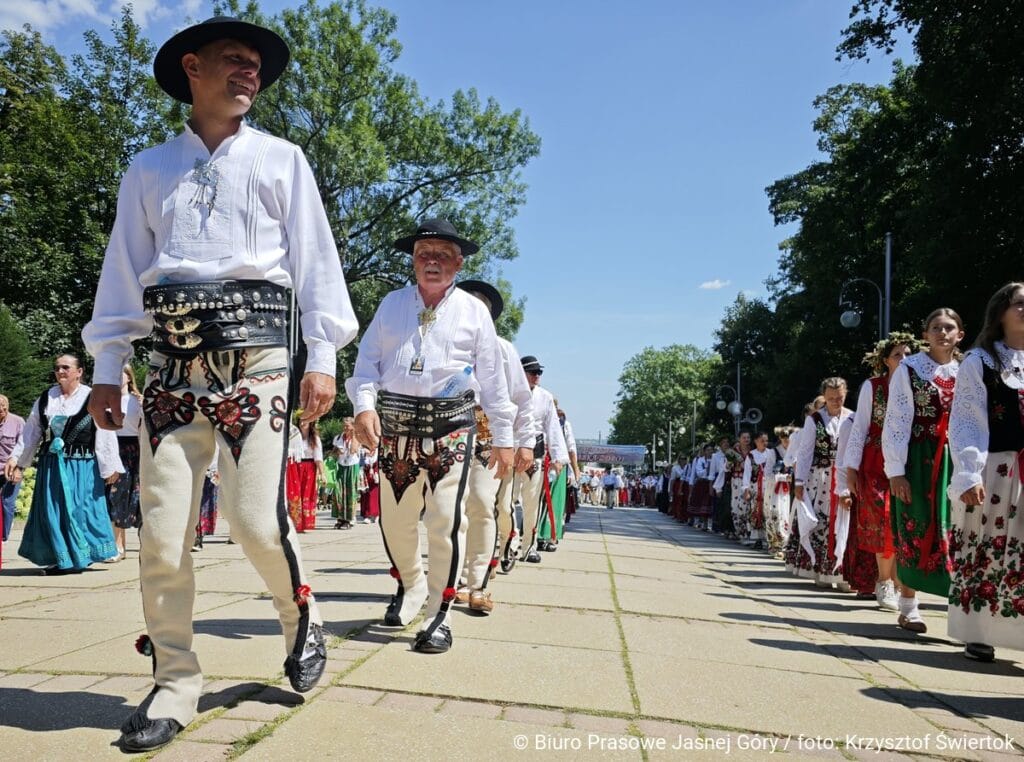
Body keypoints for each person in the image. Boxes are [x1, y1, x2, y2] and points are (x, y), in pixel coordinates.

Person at [81, 16, 359, 751]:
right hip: (170, 373)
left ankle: (302, 614)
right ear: (192, 68)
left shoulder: (282, 160)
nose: (251, 73)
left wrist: (323, 355)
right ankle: (175, 679)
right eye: (236, 61)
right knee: (163, 535)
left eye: (257, 67)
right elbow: (122, 271)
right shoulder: (147, 169)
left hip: (258, 362)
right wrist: (109, 364)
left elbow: (316, 264)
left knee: (252, 519)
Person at [347, 218, 516, 654]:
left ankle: (439, 615)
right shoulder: (391, 305)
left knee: (446, 520)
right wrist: (364, 406)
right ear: (412, 261)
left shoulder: (475, 312)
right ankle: (412, 585)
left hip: (452, 428)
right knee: (395, 523)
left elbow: (494, 381)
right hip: (397, 428)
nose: (432, 261)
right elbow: (365, 366)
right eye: (424, 254)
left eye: (442, 254)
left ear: (458, 263)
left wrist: (505, 436)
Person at [948, 283, 1024, 662]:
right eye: (1020, 304)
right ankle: (978, 632)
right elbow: (966, 422)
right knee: (987, 549)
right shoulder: (980, 362)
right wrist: (968, 473)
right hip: (997, 469)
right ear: (1001, 313)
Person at [454, 279, 535, 612]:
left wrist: (524, 443)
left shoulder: (503, 349)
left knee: (480, 504)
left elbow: (521, 399)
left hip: (488, 437)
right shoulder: (446, 342)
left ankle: (476, 584)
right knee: (447, 510)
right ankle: (448, 580)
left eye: (481, 309)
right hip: (449, 433)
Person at [883, 308, 963, 634]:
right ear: (925, 334)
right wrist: (895, 471)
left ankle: (963, 611)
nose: (942, 333)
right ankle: (909, 607)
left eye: (949, 327)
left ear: (961, 333)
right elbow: (898, 419)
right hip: (918, 458)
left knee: (957, 532)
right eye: (935, 327)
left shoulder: (968, 371)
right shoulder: (910, 369)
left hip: (956, 459)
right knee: (915, 525)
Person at [4, 354, 122, 573]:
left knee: (79, 509)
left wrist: (109, 466)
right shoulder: (47, 397)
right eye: (57, 368)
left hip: (82, 465)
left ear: (79, 372)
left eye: (66, 367)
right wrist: (17, 459)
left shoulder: (91, 397)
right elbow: (32, 431)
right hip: (51, 465)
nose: (60, 371)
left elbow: (105, 433)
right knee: (52, 511)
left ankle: (79, 556)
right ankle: (62, 559)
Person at [842, 333, 918, 611]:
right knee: (884, 521)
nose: (904, 359)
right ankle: (884, 582)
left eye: (908, 354)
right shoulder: (873, 387)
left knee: (904, 522)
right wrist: (850, 469)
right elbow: (860, 427)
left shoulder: (918, 385)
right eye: (898, 354)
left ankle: (902, 584)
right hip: (875, 462)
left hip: (909, 460)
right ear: (885, 360)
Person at [793, 379, 852, 588]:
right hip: (821, 478)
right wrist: (799, 481)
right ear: (824, 397)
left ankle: (844, 573)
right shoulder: (815, 420)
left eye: (839, 398)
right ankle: (821, 569)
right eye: (831, 398)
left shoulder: (853, 418)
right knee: (822, 522)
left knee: (845, 523)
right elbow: (806, 451)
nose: (836, 402)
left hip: (845, 477)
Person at [514, 356, 568, 561]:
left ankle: (529, 546)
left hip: (535, 454)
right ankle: (508, 543)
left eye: (539, 373)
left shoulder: (545, 397)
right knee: (505, 503)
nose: (537, 376)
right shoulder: (509, 392)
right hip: (512, 449)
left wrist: (558, 457)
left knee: (531, 503)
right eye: (532, 372)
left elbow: (552, 427)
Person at [104, 366, 144, 561]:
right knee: (115, 496)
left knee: (139, 498)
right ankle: (119, 546)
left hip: (135, 449)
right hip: (112, 447)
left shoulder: (138, 401)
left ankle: (146, 544)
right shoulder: (105, 401)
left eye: (122, 373)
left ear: (129, 377)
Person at [0, 394, 26, 558]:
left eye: (4, 408)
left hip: (11, 469)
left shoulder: (18, 422)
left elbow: (24, 446)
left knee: (7, 503)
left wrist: (19, 469)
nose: (2, 410)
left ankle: (4, 536)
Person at [287, 419, 323, 532]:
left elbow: (318, 458)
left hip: (309, 468)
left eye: (305, 421)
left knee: (307, 494)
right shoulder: (293, 437)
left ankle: (306, 523)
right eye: (301, 421)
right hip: (295, 466)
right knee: (294, 494)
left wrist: (322, 473)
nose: (302, 424)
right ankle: (295, 523)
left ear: (310, 423)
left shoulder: (314, 439)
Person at [742, 432, 775, 550]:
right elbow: (747, 473)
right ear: (756, 441)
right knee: (755, 511)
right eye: (762, 441)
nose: (765, 443)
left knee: (768, 511)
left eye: (766, 441)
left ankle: (769, 539)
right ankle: (757, 539)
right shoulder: (751, 455)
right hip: (755, 487)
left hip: (769, 487)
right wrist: (746, 489)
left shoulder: (771, 453)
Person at [332, 418, 361, 529]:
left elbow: (353, 450)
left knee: (350, 492)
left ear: (353, 426)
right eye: (343, 426)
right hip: (340, 465)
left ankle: (350, 518)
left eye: (347, 426)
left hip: (352, 466)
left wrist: (353, 436)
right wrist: (337, 451)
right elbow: (333, 451)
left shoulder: (357, 437)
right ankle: (340, 518)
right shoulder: (338, 438)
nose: (345, 428)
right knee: (338, 492)